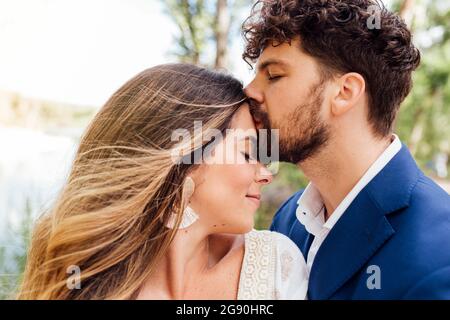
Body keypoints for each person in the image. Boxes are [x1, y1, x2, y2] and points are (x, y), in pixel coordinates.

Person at [17, 63, 308, 300]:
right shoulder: (83, 283)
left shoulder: (275, 266)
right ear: (184, 162)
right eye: (248, 153)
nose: (265, 174)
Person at [243, 0, 450, 299]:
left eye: (273, 75)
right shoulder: (288, 220)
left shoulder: (438, 261)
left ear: (345, 92)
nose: (249, 90)